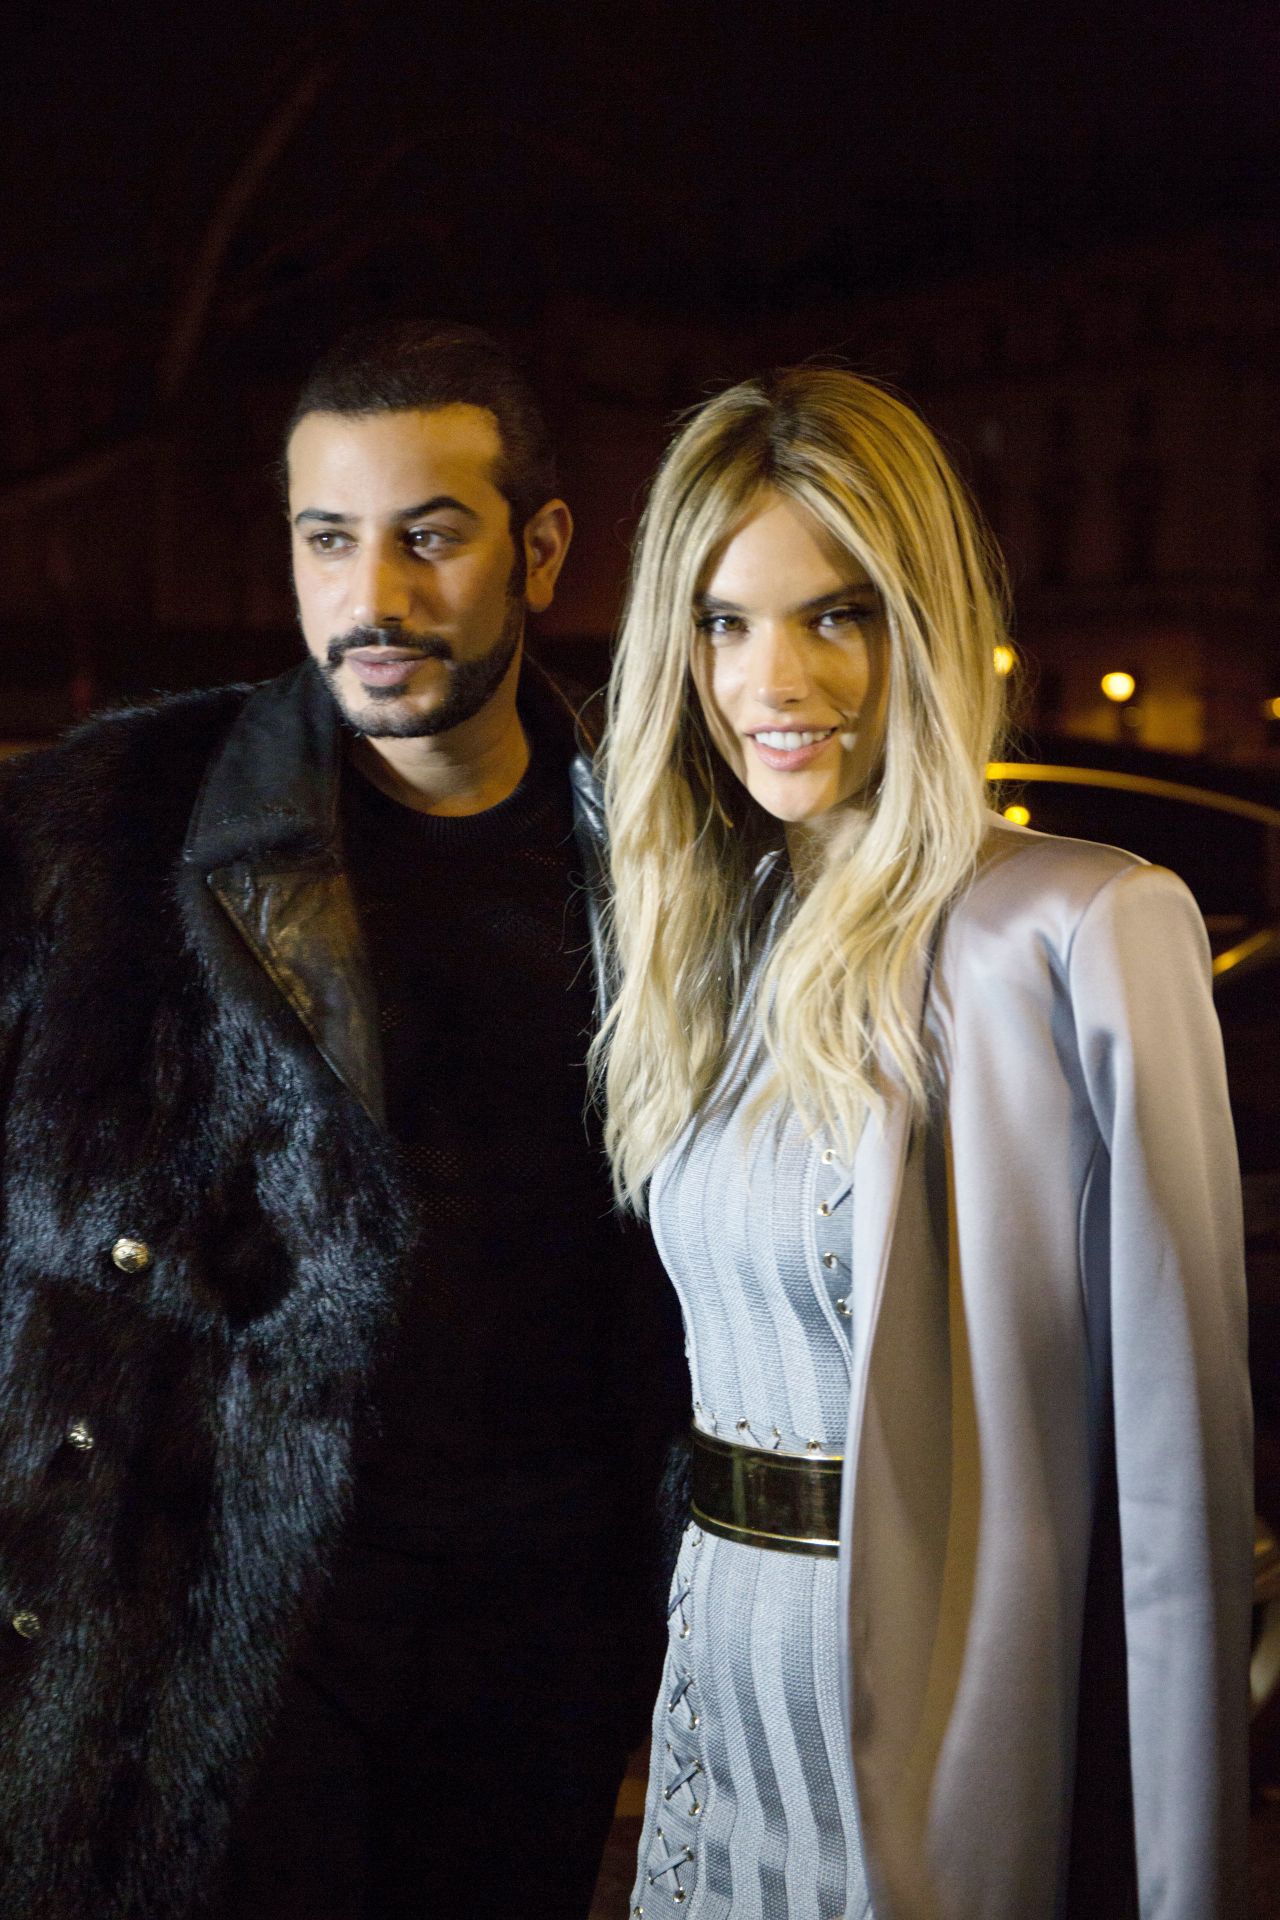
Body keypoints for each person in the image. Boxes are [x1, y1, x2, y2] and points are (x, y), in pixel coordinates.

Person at [0, 321, 682, 1920]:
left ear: (542, 549)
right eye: (329, 538)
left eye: (430, 537)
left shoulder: (666, 861)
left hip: (540, 1611)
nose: (373, 596)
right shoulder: (106, 826)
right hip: (217, 1601)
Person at [594, 367, 1253, 1919]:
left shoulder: (1079, 926)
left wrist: (1186, 1885)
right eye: (724, 622)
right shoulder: (699, 944)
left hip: (933, 1701)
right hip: (719, 1665)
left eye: (838, 615)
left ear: (925, 623)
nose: (774, 679)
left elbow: (1180, 1492)